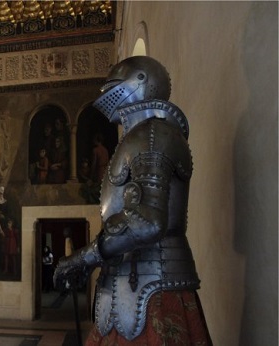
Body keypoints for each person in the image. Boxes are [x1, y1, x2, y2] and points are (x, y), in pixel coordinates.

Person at [53, 56, 211, 345]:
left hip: (153, 284)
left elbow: (147, 221)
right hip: (130, 282)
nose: (105, 93)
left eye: (113, 84)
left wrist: (82, 257)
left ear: (140, 82)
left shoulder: (153, 135)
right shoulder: (140, 136)